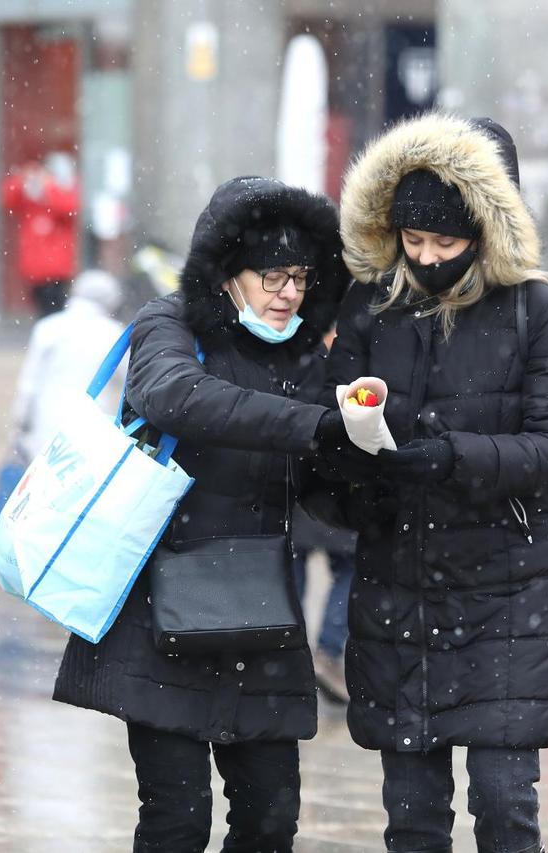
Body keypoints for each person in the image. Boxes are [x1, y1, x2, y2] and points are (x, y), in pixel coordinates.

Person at [51, 176, 350, 851]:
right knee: (176, 816)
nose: (289, 293)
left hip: (261, 615)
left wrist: (364, 448)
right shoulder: (170, 322)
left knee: (271, 816)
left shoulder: (305, 352)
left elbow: (323, 481)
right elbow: (174, 396)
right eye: (272, 276)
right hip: (162, 607)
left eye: (299, 277)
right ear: (225, 274)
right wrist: (312, 422)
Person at [316, 113, 548, 853]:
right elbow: (332, 431)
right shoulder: (371, 307)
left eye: (446, 241)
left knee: (504, 806)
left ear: (486, 231)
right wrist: (359, 462)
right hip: (400, 588)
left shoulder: (538, 312)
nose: (428, 257)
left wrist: (453, 456)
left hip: (510, 589)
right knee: (412, 816)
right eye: (414, 241)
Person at [11, 268, 126, 461]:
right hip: (93, 426)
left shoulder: (48, 327)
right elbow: (130, 382)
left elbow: (29, 383)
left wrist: (20, 422)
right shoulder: (116, 335)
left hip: (46, 422)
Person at [1, 152, 80, 317]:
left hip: (57, 270)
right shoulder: (31, 201)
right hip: (35, 270)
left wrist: (48, 187)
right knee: (43, 313)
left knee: (55, 313)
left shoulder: (62, 193)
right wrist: (25, 176)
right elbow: (9, 196)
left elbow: (69, 207)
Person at [289, 506, 355, 703]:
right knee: (349, 570)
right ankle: (326, 653)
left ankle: (286, 647)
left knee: (289, 573)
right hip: (337, 505)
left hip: (297, 505)